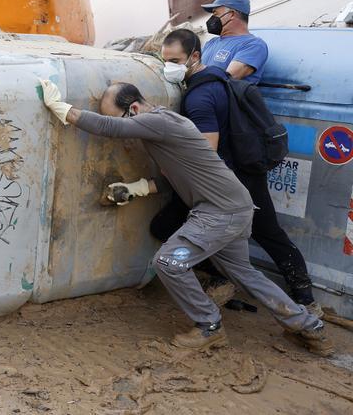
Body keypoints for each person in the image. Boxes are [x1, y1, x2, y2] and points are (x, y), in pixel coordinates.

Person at [38, 78, 332, 355]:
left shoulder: (158, 122)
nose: (126, 127)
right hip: (234, 207)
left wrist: (62, 108)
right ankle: (309, 327)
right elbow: (182, 175)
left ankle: (209, 326)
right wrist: (139, 188)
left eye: (123, 118)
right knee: (245, 273)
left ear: (135, 109)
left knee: (169, 263)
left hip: (220, 212)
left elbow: (107, 127)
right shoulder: (168, 125)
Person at [152, 29, 320, 314]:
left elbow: (205, 150)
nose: (170, 67)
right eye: (165, 61)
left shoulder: (199, 97)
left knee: (166, 226)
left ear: (195, 56)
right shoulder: (219, 80)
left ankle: (301, 302)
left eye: (176, 60)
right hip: (244, 170)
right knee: (268, 234)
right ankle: (302, 299)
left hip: (228, 180)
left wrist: (170, 169)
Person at [200, 0, 269, 83]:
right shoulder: (211, 42)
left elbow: (227, 79)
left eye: (215, 14)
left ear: (231, 14)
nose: (212, 19)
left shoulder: (253, 45)